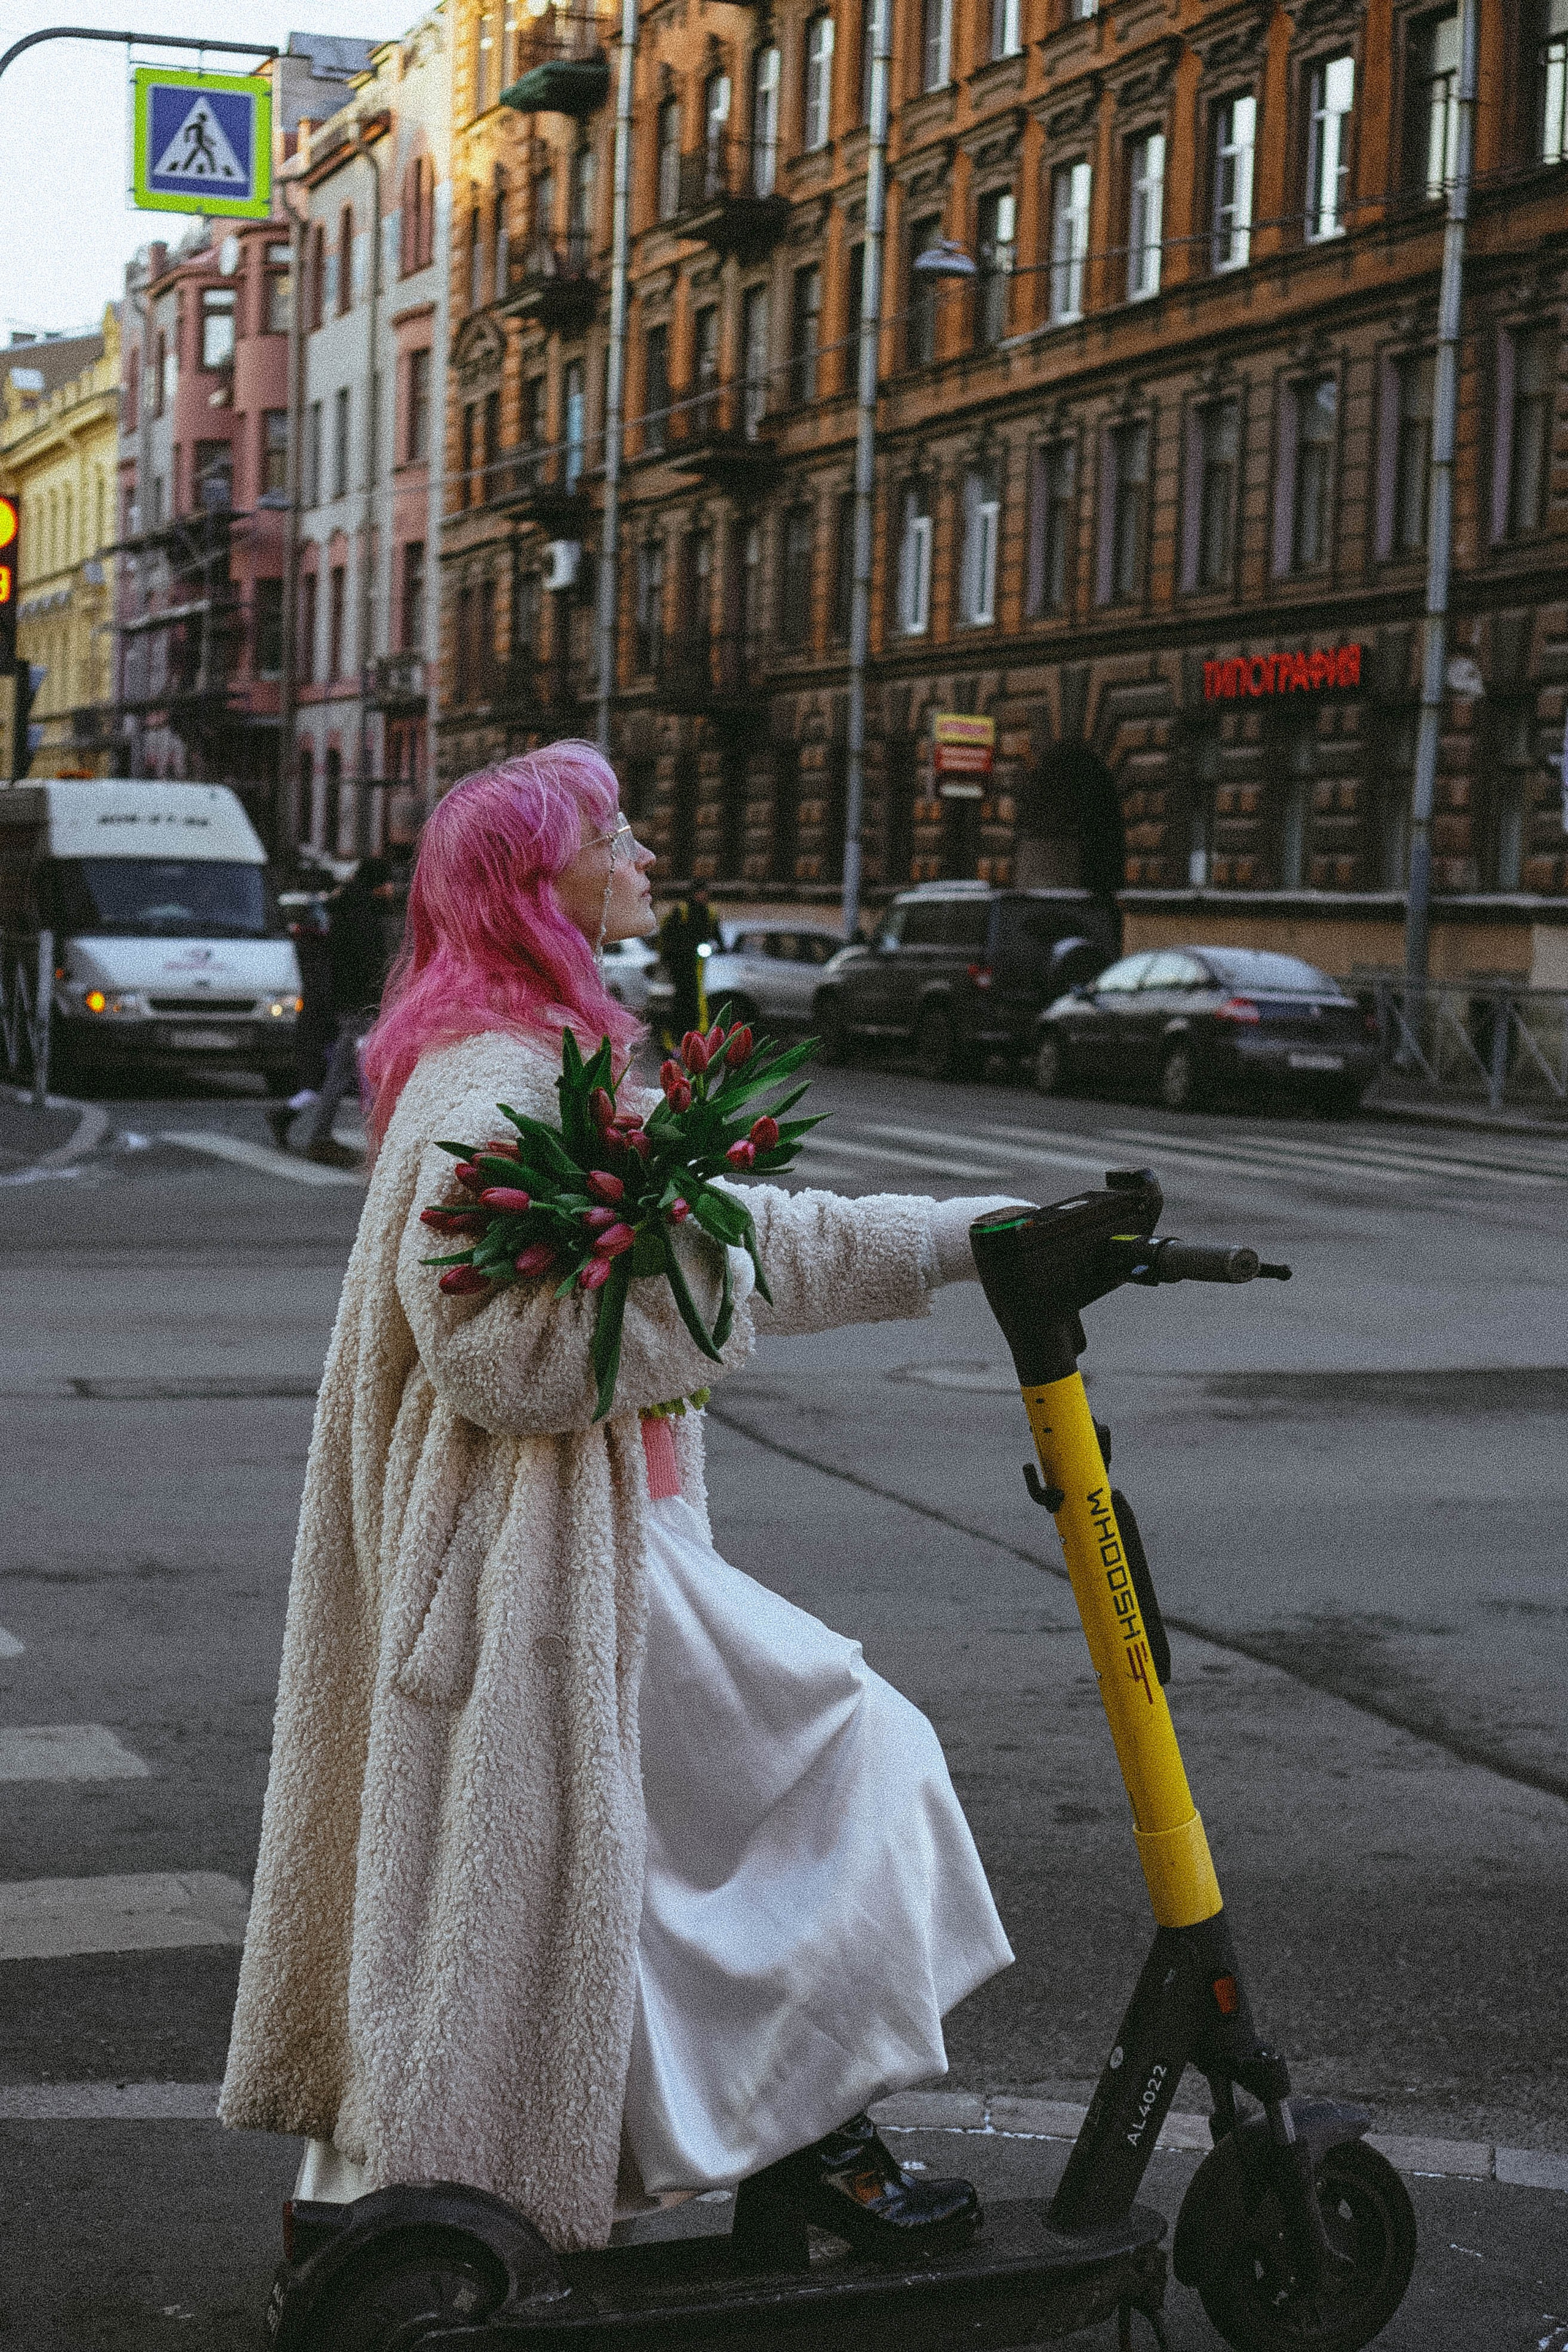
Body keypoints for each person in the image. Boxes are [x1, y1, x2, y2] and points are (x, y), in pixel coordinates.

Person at [219, 744, 1020, 2258]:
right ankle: (790, 2152)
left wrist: (962, 1236)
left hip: (586, 1547)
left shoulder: (522, 1057)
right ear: (542, 885)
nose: (643, 856)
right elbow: (498, 1345)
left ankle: (450, 2192)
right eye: (613, 835)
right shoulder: (495, 1080)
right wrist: (699, 1284)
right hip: (551, 1564)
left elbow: (725, 1235)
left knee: (599, 1881)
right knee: (856, 1759)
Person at [297, 856, 399, 1167]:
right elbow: (368, 964)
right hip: (360, 1002)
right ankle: (321, 1136)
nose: (390, 889)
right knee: (350, 1068)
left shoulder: (347, 907)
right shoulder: (363, 915)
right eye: (386, 883)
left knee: (347, 1067)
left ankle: (314, 1129)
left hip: (348, 1000)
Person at [657, 891, 719, 1044]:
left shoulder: (709, 912)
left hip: (696, 960)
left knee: (694, 994)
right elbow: (668, 932)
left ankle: (695, 1031)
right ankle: (676, 1035)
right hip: (680, 959)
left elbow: (716, 933)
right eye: (700, 893)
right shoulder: (682, 910)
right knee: (683, 996)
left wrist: (719, 947)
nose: (702, 897)